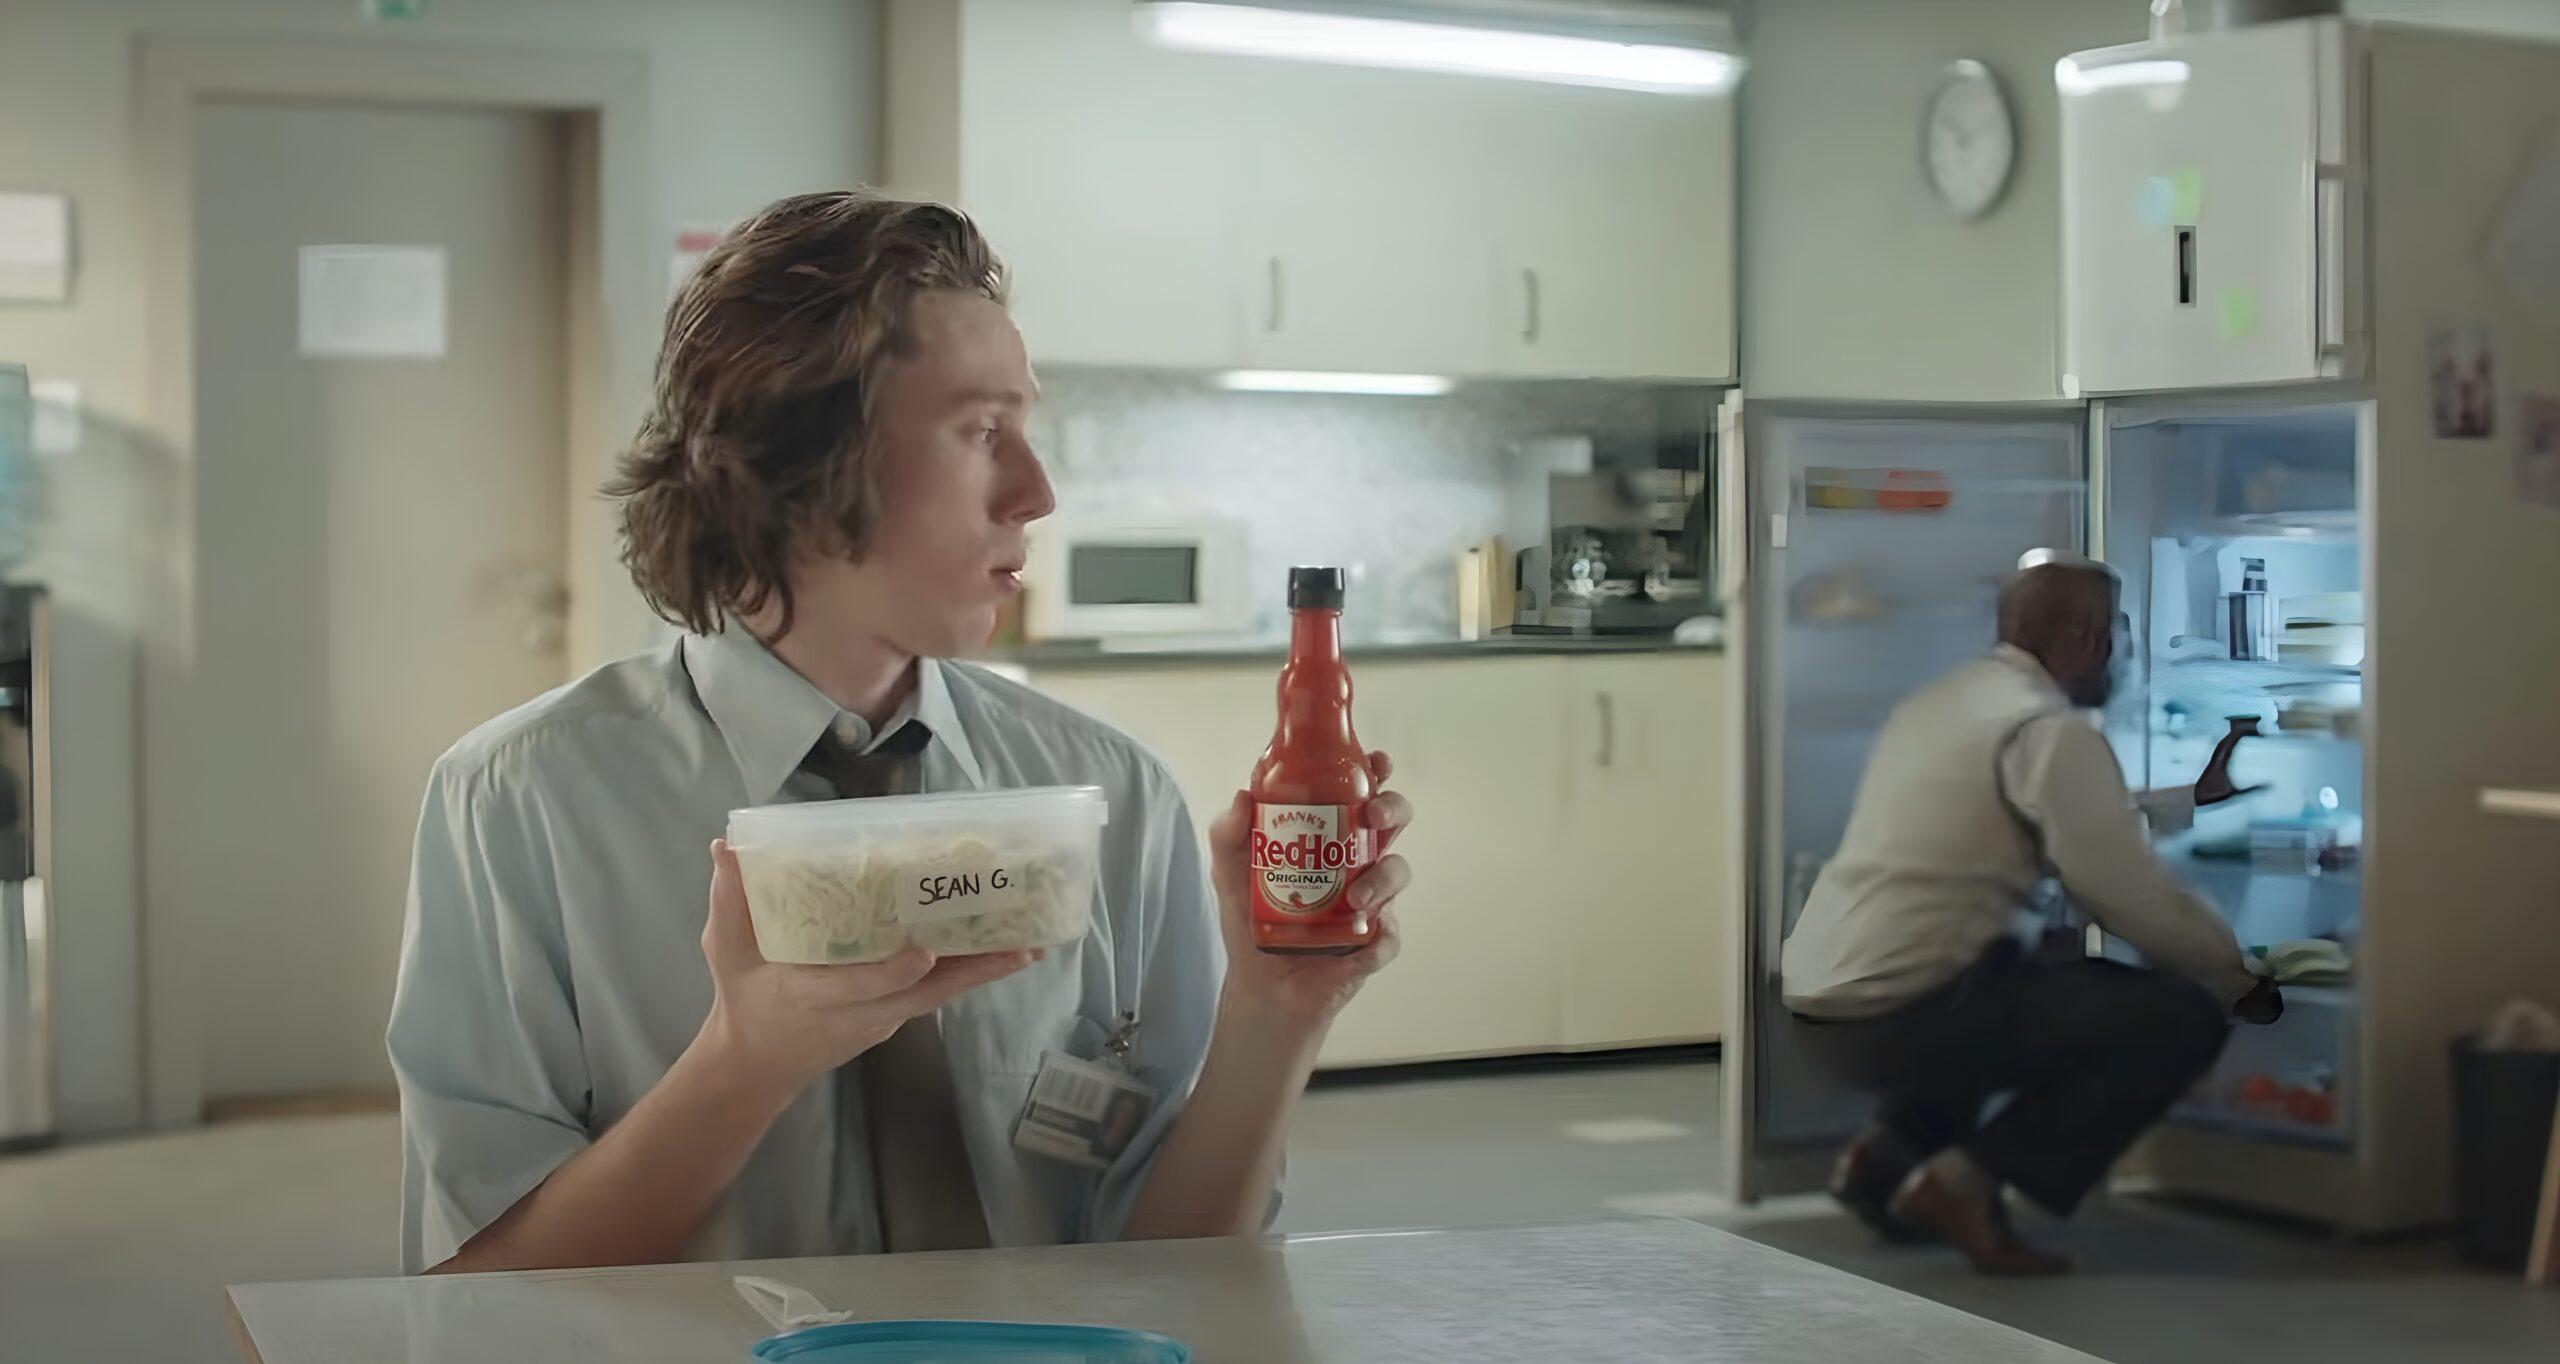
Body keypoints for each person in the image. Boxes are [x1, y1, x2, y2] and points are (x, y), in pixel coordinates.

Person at [386, 190, 1412, 1273]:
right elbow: (475, 1296)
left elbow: (1172, 1272)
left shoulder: (1112, 794)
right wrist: (749, 1060)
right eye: (982, 431)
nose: (1036, 491)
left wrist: (1273, 1011)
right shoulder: (522, 797)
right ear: (796, 452)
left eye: (1028, 429)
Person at [1780, 554, 2282, 1276]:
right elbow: (2128, 894)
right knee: (2173, 1019)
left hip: (1822, 1002)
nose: (2122, 654)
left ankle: (1881, 1161)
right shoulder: (2050, 730)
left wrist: (2190, 798)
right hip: (1902, 1013)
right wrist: (2237, 980)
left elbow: (2039, 818)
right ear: (2082, 636)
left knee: (2016, 968)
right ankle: (1961, 1186)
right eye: (2118, 635)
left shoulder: (1948, 702)